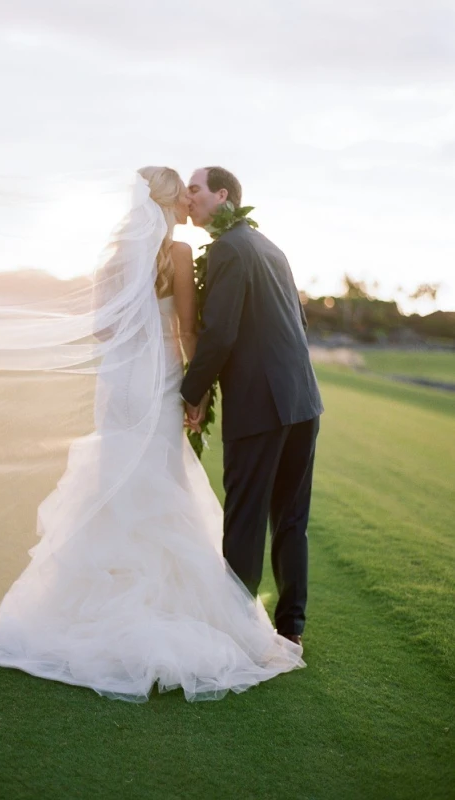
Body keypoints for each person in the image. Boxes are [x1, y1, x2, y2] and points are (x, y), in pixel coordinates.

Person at [0, 167, 305, 702]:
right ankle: (226, 616)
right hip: (160, 379)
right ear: (171, 204)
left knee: (114, 479)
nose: (190, 201)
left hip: (118, 379)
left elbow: (104, 326)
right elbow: (191, 330)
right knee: (163, 482)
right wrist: (197, 390)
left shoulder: (113, 256)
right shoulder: (178, 257)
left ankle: (77, 605)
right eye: (185, 193)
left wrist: (137, 334)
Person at [182, 167, 324, 646]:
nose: (189, 197)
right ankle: (291, 630)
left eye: (196, 189)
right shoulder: (268, 246)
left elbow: (220, 331)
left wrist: (190, 392)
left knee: (244, 518)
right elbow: (299, 322)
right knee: (290, 519)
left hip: (260, 404)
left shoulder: (227, 248)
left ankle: (236, 635)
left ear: (224, 195)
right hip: (303, 400)